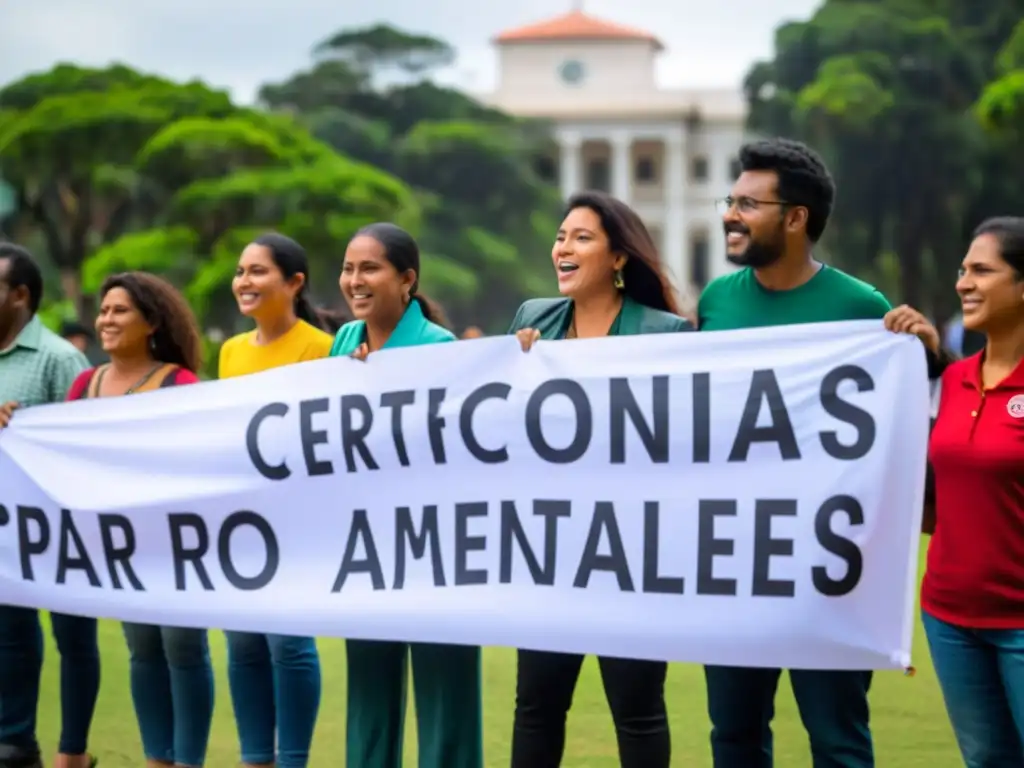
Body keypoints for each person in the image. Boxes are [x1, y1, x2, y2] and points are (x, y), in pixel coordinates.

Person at [697, 138, 892, 768]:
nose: (731, 213)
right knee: (734, 736)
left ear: (796, 217)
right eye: (731, 199)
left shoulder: (863, 310)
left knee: (836, 739)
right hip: (732, 563)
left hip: (824, 567)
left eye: (748, 203)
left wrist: (923, 352)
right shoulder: (716, 303)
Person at [508, 190, 692, 768]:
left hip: (630, 554)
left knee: (638, 711)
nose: (563, 247)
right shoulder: (531, 322)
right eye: (562, 236)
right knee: (536, 706)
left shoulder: (666, 335)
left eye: (581, 237)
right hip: (550, 551)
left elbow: (685, 445)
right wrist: (511, 365)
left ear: (618, 258)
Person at [329, 222, 482, 768]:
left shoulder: (441, 349)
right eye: (348, 268)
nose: (354, 280)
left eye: (369, 268)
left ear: (407, 280)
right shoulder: (346, 340)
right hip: (370, 541)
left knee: (446, 689)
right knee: (369, 688)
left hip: (436, 542)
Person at [884, 216, 1024, 768]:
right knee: (987, 760)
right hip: (950, 618)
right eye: (962, 270)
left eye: (983, 270)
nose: (964, 282)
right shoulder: (955, 379)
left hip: (1020, 620)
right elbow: (938, 496)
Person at [63, 272, 214, 768]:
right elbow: (57, 451)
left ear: (151, 321)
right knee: (142, 649)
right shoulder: (86, 384)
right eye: (104, 310)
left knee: (182, 649)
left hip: (175, 542)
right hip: (119, 548)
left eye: (120, 310)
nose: (106, 319)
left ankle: (187, 760)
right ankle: (158, 758)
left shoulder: (179, 383)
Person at [218, 232, 331, 768]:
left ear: (294, 283)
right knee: (242, 645)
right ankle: (254, 758)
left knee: (288, 644)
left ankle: (293, 759)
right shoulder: (230, 351)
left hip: (298, 519)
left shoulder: (320, 347)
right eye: (241, 272)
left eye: (257, 271)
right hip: (241, 520)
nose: (244, 282)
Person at [0, 243, 95, 768]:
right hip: (6, 531)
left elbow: (84, 439)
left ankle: (73, 750)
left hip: (62, 530)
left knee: (73, 637)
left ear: (20, 295)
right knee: (10, 635)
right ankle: (15, 741)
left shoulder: (60, 358)